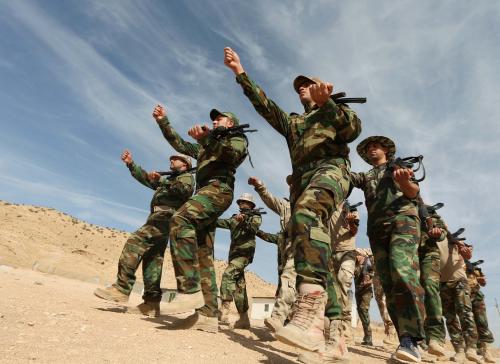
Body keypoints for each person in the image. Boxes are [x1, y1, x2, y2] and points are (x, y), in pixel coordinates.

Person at [224, 47, 361, 361]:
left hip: (331, 172)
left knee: (305, 215)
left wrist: (329, 104)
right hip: (303, 185)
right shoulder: (294, 123)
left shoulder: (333, 110)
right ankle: (335, 340)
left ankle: (310, 308)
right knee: (316, 256)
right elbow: (265, 106)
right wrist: (240, 73)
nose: (301, 87)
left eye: (306, 83)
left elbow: (353, 129)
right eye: (298, 85)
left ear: (319, 88)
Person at [152, 104, 248, 332]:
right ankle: (208, 315)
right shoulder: (205, 147)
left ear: (230, 123)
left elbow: (231, 155)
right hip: (205, 193)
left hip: (218, 190)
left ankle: (189, 289)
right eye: (213, 120)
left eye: (220, 119)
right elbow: (180, 144)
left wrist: (208, 139)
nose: (215, 121)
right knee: (203, 253)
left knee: (180, 219)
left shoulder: (237, 139)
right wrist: (163, 121)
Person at [350, 136, 425, 363]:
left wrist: (404, 183)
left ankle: (412, 339)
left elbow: (413, 193)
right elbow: (345, 176)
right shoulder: (366, 176)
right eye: (368, 148)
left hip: (403, 223)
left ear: (386, 150)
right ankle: (406, 339)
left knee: (403, 271)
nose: (372, 150)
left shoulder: (399, 167)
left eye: (376, 146)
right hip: (377, 231)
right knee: (389, 285)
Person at [94, 150, 194, 318]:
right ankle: (151, 303)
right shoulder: (170, 179)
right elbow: (147, 179)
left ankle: (122, 288)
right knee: (153, 259)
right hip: (160, 218)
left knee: (135, 242)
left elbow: (184, 191)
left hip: (165, 217)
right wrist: (131, 165)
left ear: (184, 164)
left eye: (176, 158)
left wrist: (162, 180)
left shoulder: (185, 177)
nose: (171, 160)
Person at [248, 176, 295, 332]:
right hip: (289, 249)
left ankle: (287, 319)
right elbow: (270, 200)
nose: (292, 186)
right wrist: (260, 187)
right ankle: (281, 319)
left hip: (308, 249)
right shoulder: (286, 206)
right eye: (290, 184)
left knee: (305, 286)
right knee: (287, 280)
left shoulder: (312, 203)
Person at [217, 193, 262, 329]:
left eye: (245, 202)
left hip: (244, 254)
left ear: (251, 205)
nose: (242, 204)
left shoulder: (255, 216)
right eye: (241, 202)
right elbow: (219, 222)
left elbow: (253, 229)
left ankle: (224, 310)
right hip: (234, 255)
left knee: (228, 274)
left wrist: (245, 221)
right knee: (239, 286)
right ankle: (244, 319)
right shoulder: (233, 219)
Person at [437, 230, 482, 363]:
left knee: (465, 313)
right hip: (442, 283)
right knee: (450, 318)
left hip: (459, 281)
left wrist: (465, 250)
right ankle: (459, 351)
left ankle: (471, 349)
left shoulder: (454, 240)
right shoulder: (430, 239)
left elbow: (467, 255)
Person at [416, 199, 447, 357]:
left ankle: (436, 337)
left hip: (429, 255)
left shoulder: (434, 216)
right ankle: (418, 338)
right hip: (411, 255)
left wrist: (436, 232)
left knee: (430, 288)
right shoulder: (407, 211)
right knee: (414, 294)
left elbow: (442, 234)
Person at [329, 201, 360, 341]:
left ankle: (345, 326)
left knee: (344, 281)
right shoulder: (328, 207)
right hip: (331, 253)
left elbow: (354, 232)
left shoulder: (352, 210)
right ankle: (334, 324)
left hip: (348, 252)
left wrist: (351, 222)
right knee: (334, 290)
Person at [466, 261, 496, 363]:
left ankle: (487, 351)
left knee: (483, 323)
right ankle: (472, 350)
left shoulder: (475, 268)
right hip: (464, 296)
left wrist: (481, 280)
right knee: (469, 324)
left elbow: (483, 283)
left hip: (477, 296)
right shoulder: (457, 263)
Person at [353, 248, 374, 346]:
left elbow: (374, 278)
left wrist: (367, 282)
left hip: (366, 292)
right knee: (360, 312)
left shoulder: (368, 264)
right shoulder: (355, 265)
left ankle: (369, 337)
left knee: (364, 310)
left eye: (357, 254)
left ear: (362, 255)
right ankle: (366, 336)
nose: (355, 255)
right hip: (358, 291)